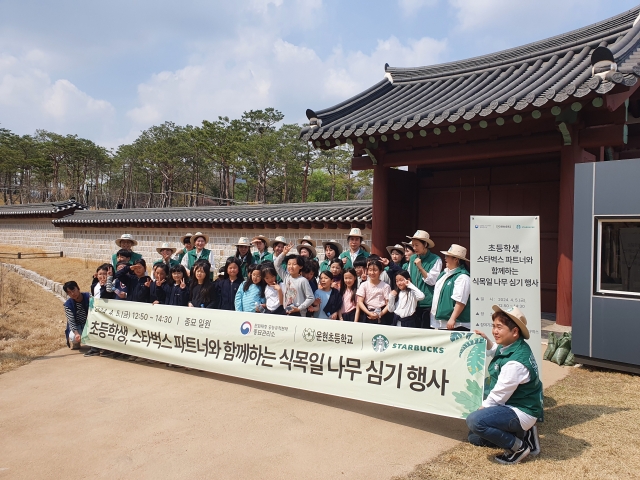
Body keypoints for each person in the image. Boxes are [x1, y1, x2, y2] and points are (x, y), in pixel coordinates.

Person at [468, 306, 543, 465]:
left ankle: (518, 447)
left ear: (515, 331)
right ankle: (526, 434)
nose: (495, 331)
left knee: (475, 421)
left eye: (499, 327)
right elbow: (496, 350)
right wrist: (486, 339)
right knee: (474, 437)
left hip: (520, 410)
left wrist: (482, 409)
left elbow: (498, 396)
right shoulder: (514, 345)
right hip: (521, 405)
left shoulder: (515, 363)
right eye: (494, 326)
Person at [406, 230, 443, 329]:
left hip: (427, 303)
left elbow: (433, 281)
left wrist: (420, 268)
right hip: (413, 302)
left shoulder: (436, 259)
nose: (414, 248)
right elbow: (408, 276)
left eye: (417, 245)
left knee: (425, 330)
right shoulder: (413, 258)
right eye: (413, 245)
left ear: (425, 244)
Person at [431, 244, 471, 331]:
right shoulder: (444, 274)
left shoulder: (463, 277)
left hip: (456, 324)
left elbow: (460, 300)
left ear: (456, 259)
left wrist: (452, 318)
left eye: (447, 256)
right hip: (442, 322)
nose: (445, 258)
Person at [274, 243, 315, 317]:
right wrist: (284, 253)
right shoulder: (286, 277)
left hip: (299, 314)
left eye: (294, 264)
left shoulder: (303, 280)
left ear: (300, 266)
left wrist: (299, 308)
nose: (291, 266)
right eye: (289, 264)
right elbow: (276, 264)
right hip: (287, 312)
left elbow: (311, 298)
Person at [356, 259, 392, 324]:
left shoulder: (386, 286)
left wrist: (380, 314)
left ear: (380, 271)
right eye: (370, 270)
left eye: (375, 270)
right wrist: (368, 313)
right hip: (367, 313)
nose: (372, 273)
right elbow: (360, 302)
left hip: (381, 314)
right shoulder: (364, 285)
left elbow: (388, 303)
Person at [63, 281, 90, 351]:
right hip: (77, 326)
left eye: (73, 290)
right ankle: (76, 343)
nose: (72, 294)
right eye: (69, 292)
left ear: (78, 288)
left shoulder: (89, 297)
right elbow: (71, 321)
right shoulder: (68, 305)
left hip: (89, 324)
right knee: (73, 337)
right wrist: (77, 334)